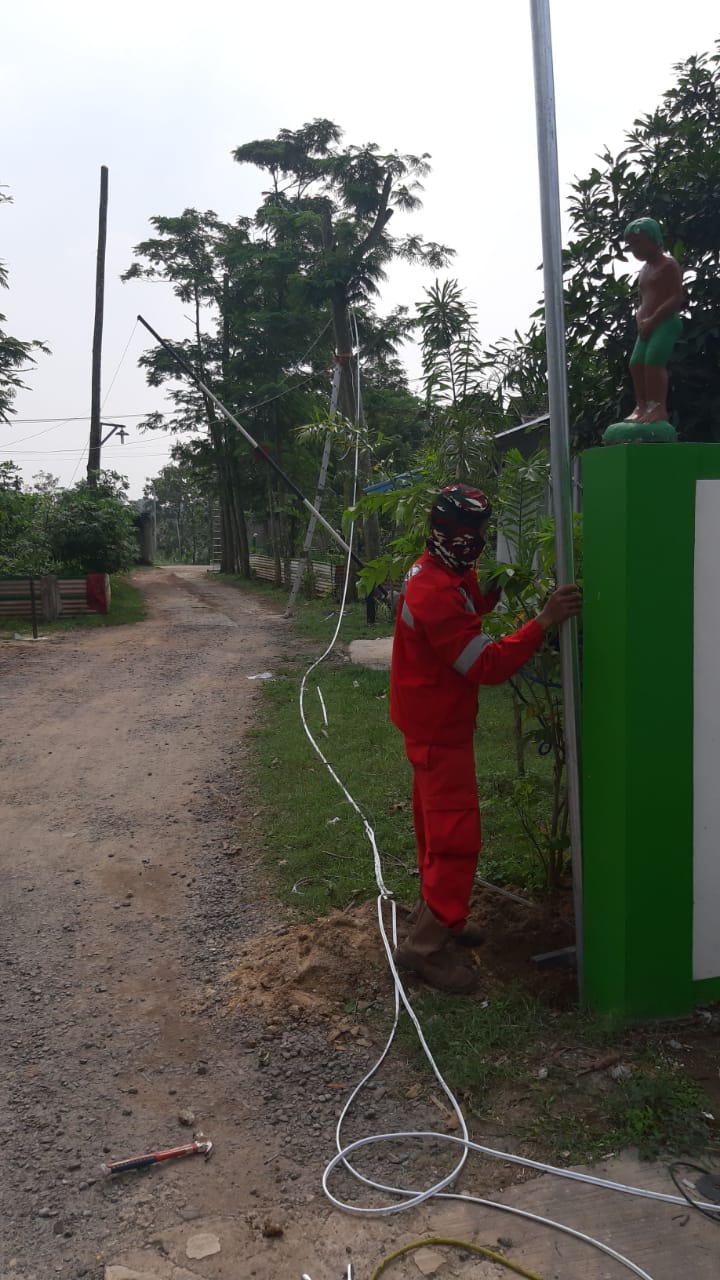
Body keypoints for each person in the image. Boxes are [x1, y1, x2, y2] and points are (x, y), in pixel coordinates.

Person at [389, 483, 582, 994]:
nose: (474, 545)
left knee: (435, 830)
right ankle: (424, 948)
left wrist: (503, 582)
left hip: (429, 722)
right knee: (455, 839)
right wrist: (543, 621)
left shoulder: (440, 570)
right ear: (446, 533)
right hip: (439, 731)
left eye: (479, 535)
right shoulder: (431, 591)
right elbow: (486, 664)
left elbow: (473, 595)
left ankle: (444, 917)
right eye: (467, 536)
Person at [623, 217, 684, 426]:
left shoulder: (668, 265)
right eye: (631, 245)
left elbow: (676, 297)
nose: (634, 249)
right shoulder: (643, 271)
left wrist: (653, 319)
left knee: (653, 362)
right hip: (646, 324)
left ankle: (657, 407)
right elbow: (642, 300)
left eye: (638, 242)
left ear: (653, 238)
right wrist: (640, 319)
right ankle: (641, 406)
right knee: (636, 364)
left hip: (665, 322)